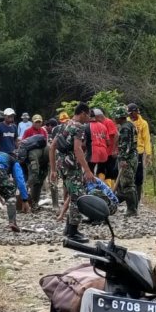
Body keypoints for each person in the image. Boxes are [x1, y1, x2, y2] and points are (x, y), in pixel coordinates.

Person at [50, 102, 94, 243]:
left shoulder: (64, 125)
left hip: (62, 166)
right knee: (77, 197)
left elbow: (52, 146)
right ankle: (73, 232)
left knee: (71, 194)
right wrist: (87, 170)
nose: (89, 118)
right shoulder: (79, 127)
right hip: (72, 167)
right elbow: (77, 149)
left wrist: (53, 169)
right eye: (88, 115)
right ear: (83, 113)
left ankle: (68, 229)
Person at [113, 106, 139, 216]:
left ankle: (132, 209)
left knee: (128, 184)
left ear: (120, 117)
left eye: (116, 117)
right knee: (129, 183)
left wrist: (123, 159)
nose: (114, 119)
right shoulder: (131, 125)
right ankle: (132, 207)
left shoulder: (125, 128)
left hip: (128, 159)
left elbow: (125, 145)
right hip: (133, 156)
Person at [127, 103, 151, 205]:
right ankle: (129, 199)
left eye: (132, 113)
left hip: (139, 152)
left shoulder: (143, 123)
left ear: (136, 112)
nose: (131, 115)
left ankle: (137, 199)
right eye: (129, 113)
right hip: (128, 152)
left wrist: (148, 153)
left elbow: (146, 138)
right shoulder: (127, 122)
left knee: (138, 176)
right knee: (128, 176)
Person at [88, 109, 111, 176]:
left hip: (93, 152)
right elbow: (108, 143)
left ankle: (92, 182)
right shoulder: (103, 126)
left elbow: (84, 143)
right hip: (103, 152)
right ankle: (101, 181)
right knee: (101, 171)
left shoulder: (87, 126)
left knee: (90, 170)